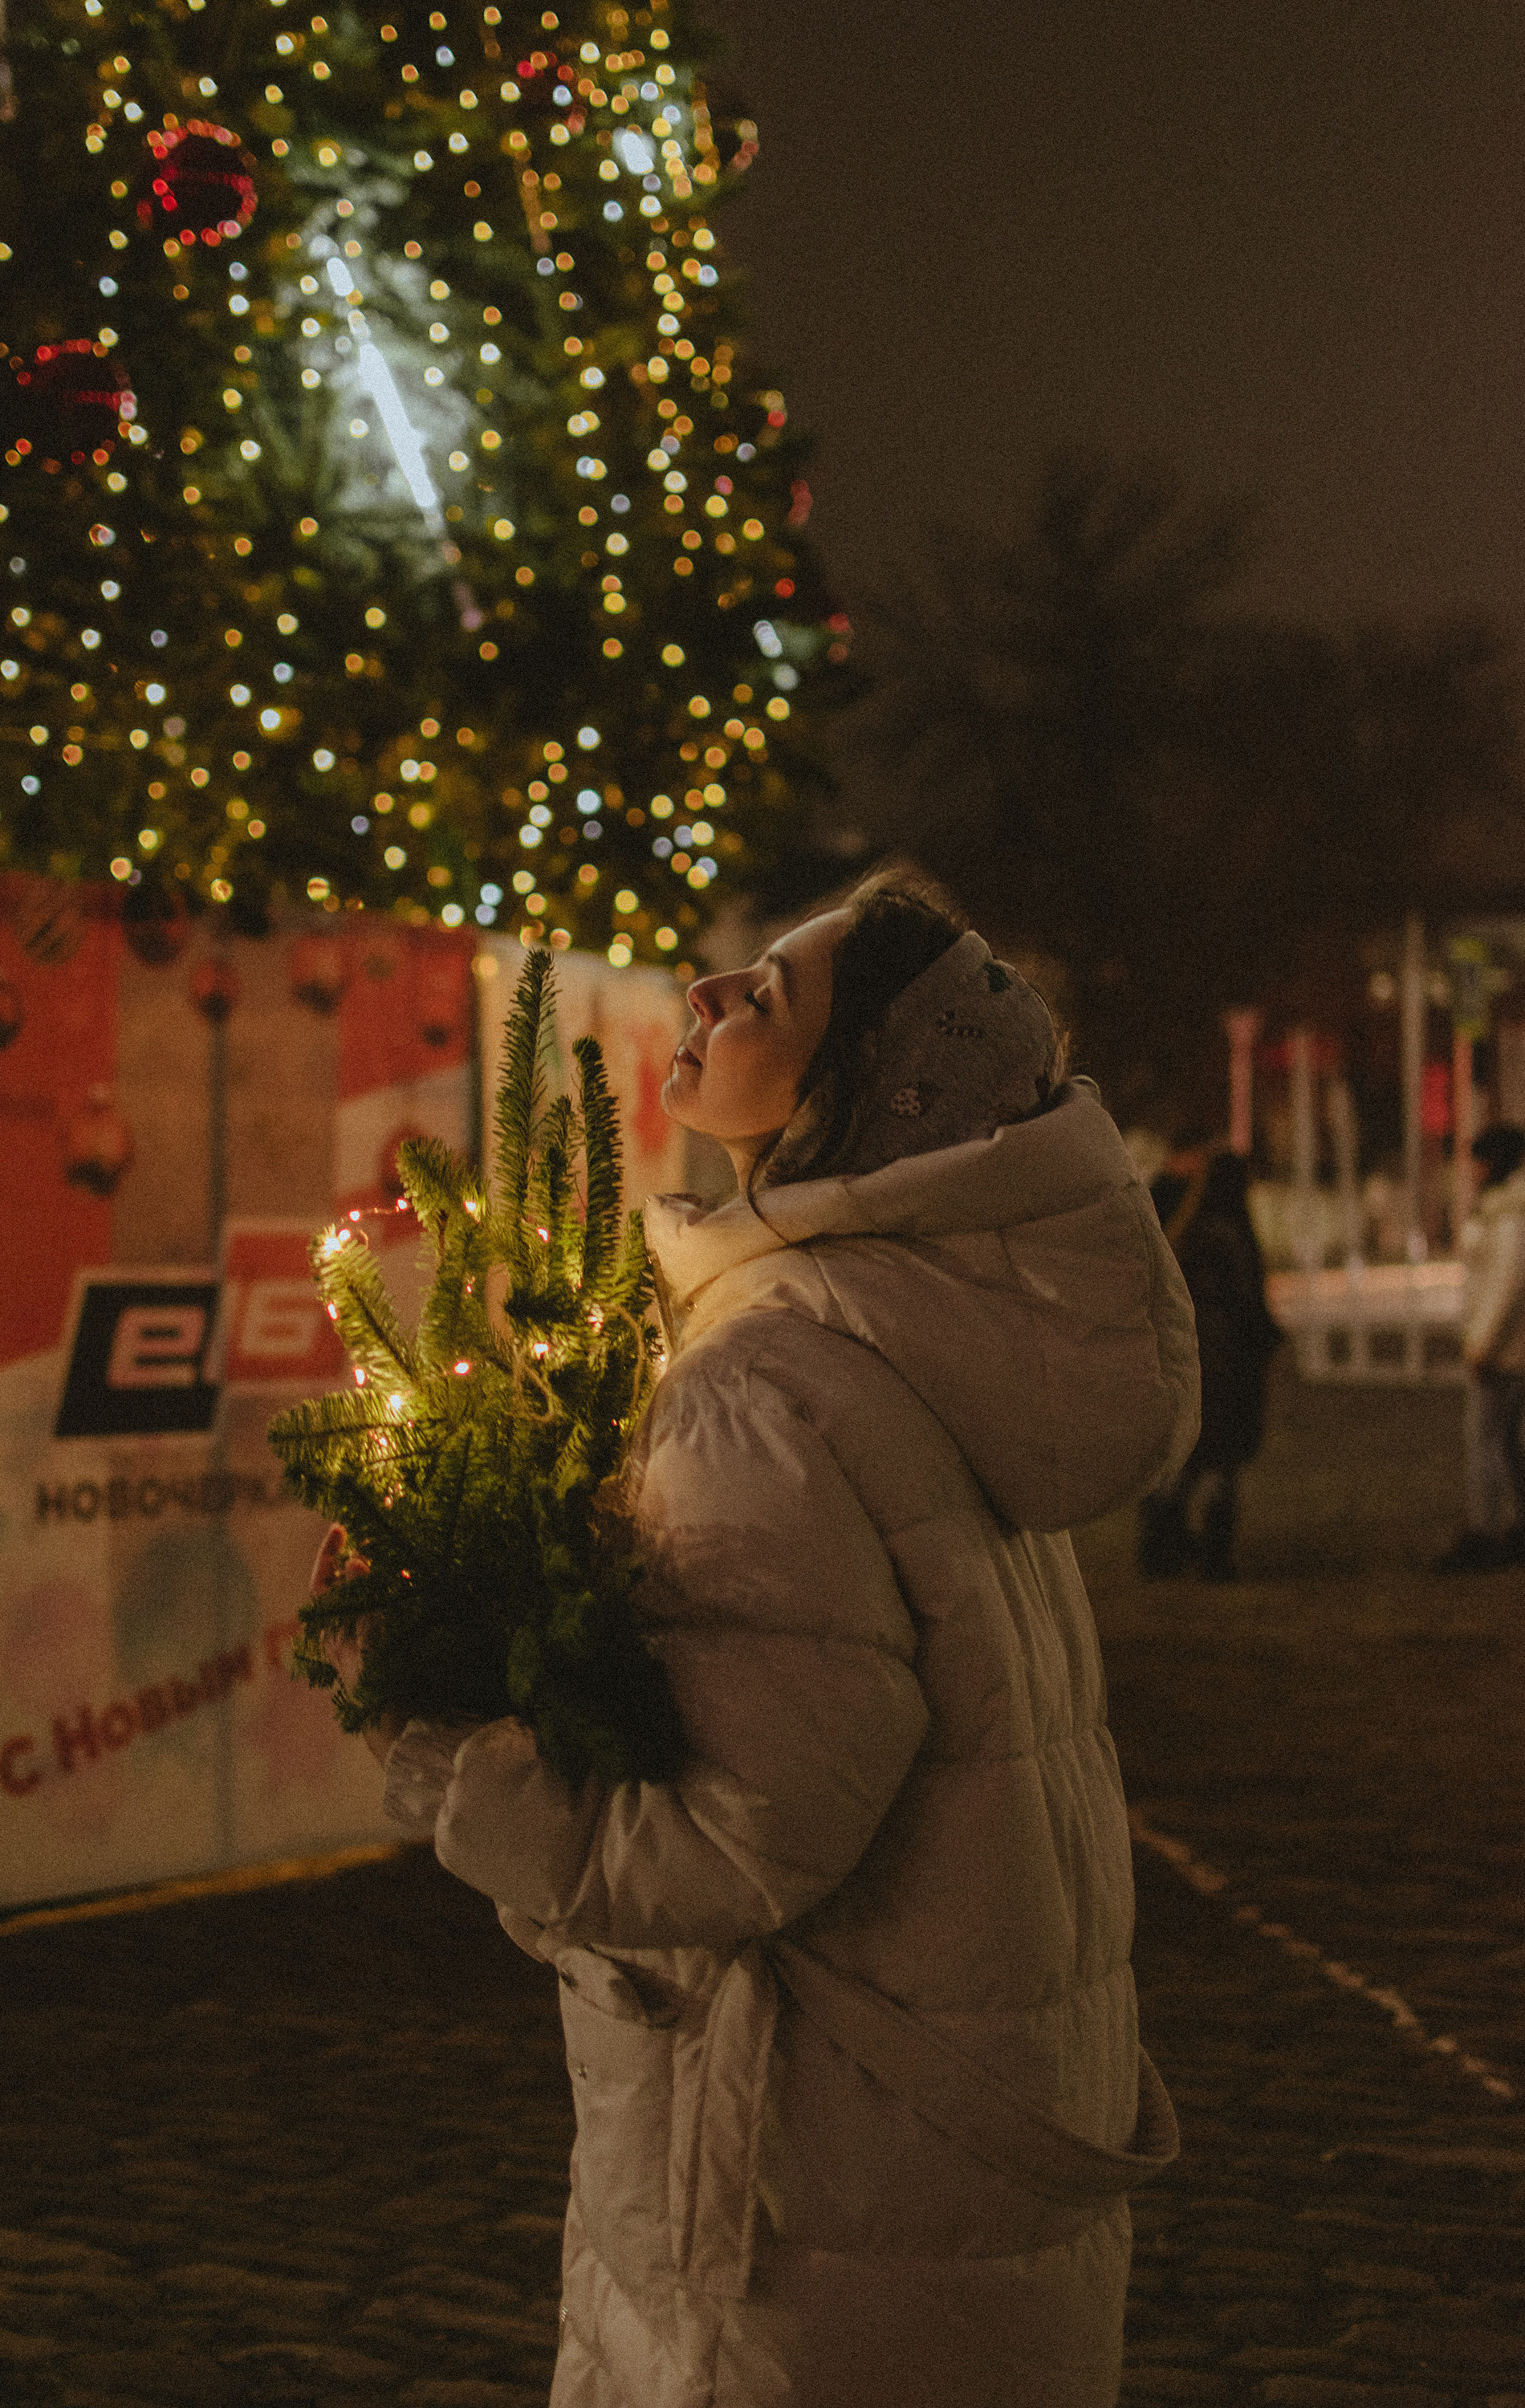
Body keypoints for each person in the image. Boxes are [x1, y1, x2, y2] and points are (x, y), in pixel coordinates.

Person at [323, 870, 1199, 2408]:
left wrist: (442, 1740)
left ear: (866, 1098)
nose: (716, 995)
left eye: (774, 996)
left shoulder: (772, 1385)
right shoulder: (940, 1350)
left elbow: (725, 1848)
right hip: (944, 2192)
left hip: (803, 2210)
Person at [1138, 1147, 1282, 1581]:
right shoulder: (1233, 1238)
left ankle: (1163, 1545)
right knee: (1223, 1465)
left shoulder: (1184, 1234)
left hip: (1191, 1365)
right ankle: (1213, 1553)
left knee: (1186, 1459)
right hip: (1230, 1368)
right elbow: (1249, 1308)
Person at [1434, 1121, 1525, 1573]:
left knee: (1486, 1440)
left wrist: (1481, 1345)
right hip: (1515, 1346)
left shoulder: (1510, 1217)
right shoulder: (1506, 1210)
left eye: (1477, 1160)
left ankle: (1486, 1531)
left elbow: (1508, 1284)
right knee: (1513, 1442)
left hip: (1504, 1350)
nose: (1471, 1169)